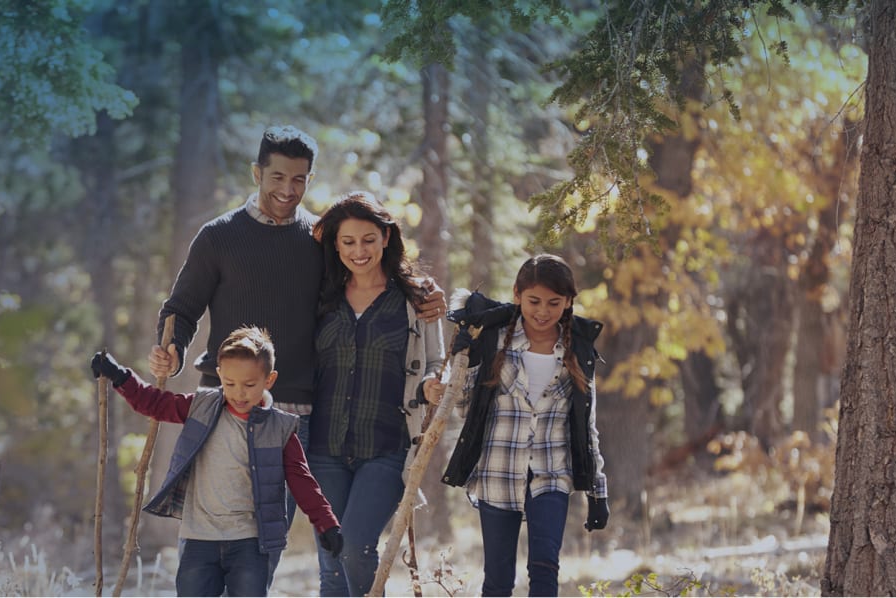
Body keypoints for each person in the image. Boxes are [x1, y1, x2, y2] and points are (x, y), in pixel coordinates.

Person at [146, 125, 447, 517]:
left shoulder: (319, 240)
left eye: (298, 179)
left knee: (271, 532)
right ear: (257, 174)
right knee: (212, 523)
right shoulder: (218, 237)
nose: (288, 189)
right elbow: (181, 310)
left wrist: (420, 292)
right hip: (225, 402)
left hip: (295, 414)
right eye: (277, 177)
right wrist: (173, 350)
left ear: (310, 179)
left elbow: (363, 281)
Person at [92, 327, 343, 597]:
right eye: (230, 383)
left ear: (268, 380)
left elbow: (302, 480)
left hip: (249, 542)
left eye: (249, 385)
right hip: (199, 538)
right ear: (220, 374)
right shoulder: (201, 406)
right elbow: (154, 403)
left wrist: (326, 523)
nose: (239, 393)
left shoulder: (280, 428)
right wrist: (118, 375)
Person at [431, 254, 610, 597]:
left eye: (554, 303)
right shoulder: (494, 340)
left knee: (545, 568)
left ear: (569, 301)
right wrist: (463, 363)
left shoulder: (577, 350)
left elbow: (588, 425)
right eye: (534, 301)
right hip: (498, 471)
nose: (543, 311)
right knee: (498, 579)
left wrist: (598, 492)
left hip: (552, 473)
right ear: (517, 295)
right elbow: (465, 409)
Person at [295, 192, 446, 596]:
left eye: (368, 239)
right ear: (336, 245)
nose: (359, 251)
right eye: (348, 242)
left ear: (385, 237)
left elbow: (435, 360)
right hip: (324, 447)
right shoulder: (321, 297)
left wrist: (433, 384)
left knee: (356, 550)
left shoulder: (415, 299)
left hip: (386, 446)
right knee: (330, 566)